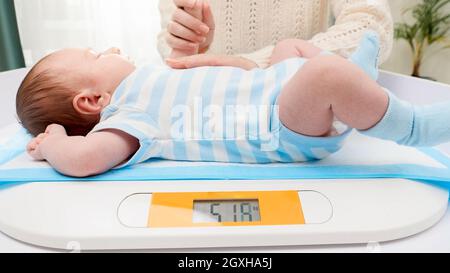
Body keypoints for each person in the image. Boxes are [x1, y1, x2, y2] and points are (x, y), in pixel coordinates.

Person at [16, 34, 450, 178]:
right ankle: (415, 125)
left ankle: (357, 85)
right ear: (93, 101)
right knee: (324, 77)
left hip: (269, 87)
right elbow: (85, 159)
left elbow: (227, 83)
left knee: (291, 48)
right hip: (279, 126)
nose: (109, 49)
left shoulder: (148, 81)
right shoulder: (125, 116)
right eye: (96, 56)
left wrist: (238, 66)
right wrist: (54, 143)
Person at [158, 0, 393, 69]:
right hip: (211, 114)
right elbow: (170, 53)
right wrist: (194, 47)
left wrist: (258, 64)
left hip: (297, 114)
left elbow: (371, 28)